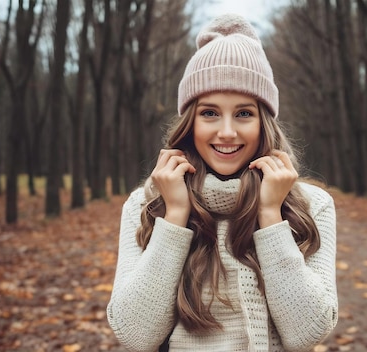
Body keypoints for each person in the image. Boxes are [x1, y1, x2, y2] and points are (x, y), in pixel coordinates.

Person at [107, 13, 338, 352]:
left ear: (264, 123)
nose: (227, 132)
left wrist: (271, 213)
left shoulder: (310, 205)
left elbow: (306, 334)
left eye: (244, 113)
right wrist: (174, 217)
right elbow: (135, 335)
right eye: (210, 113)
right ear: (190, 122)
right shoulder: (146, 205)